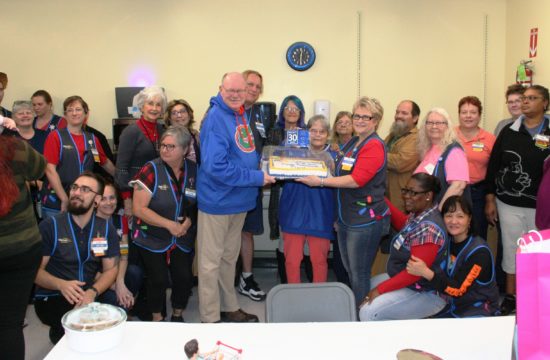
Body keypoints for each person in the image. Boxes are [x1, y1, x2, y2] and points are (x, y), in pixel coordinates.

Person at [197, 72, 275, 323]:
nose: (235, 95)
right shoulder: (216, 118)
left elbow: (243, 152)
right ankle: (210, 317)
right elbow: (215, 167)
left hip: (237, 201)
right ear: (220, 89)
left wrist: (262, 166)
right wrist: (255, 178)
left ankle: (229, 306)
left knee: (229, 259)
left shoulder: (239, 114)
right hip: (218, 202)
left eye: (240, 91)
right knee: (210, 264)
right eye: (230, 90)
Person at [298, 96, 390, 305]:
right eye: (357, 115)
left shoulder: (374, 145)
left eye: (366, 117)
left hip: (364, 220)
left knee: (359, 273)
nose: (359, 120)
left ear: (376, 120)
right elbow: (336, 167)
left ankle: (361, 316)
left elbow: (356, 180)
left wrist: (320, 181)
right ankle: (355, 308)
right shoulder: (354, 142)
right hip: (347, 217)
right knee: (350, 269)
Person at [485, 84, 550, 315]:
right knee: (512, 249)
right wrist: (490, 198)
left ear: (545, 103)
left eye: (532, 98)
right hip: (508, 203)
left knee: (538, 252)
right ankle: (511, 296)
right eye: (524, 98)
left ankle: (536, 296)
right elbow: (494, 164)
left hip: (541, 207)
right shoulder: (509, 130)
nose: (525, 102)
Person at [34, 172, 120, 344]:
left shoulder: (105, 228)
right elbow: (35, 272)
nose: (76, 193)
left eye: (85, 189)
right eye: (74, 187)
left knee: (114, 311)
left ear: (97, 200)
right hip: (54, 295)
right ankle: (61, 334)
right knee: (76, 329)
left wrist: (92, 291)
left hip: (89, 293)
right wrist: (61, 284)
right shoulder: (50, 226)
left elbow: (111, 270)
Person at [358, 173, 448, 321]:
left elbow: (414, 274)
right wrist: (381, 198)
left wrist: (380, 290)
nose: (407, 196)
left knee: (368, 310)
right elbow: (404, 225)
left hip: (426, 292)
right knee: (366, 287)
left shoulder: (429, 229)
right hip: (412, 284)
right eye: (406, 191)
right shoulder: (420, 214)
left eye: (413, 193)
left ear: (428, 196)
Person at [131, 126, 197, 322]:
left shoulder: (194, 169)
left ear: (185, 150)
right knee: (158, 279)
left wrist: (188, 223)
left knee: (184, 277)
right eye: (163, 146)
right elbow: (139, 209)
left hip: (183, 234)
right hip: (152, 234)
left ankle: (177, 314)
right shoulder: (150, 169)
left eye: (171, 146)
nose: (165, 150)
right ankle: (157, 317)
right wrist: (170, 225)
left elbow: (199, 202)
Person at [406, 195, 500, 317]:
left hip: (478, 309)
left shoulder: (479, 252)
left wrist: (425, 272)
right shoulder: (446, 241)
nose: (453, 221)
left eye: (460, 216)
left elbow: (458, 289)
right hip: (451, 305)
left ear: (469, 219)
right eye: (449, 216)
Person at [0, 136, 46, 360]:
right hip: (21, 248)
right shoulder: (15, 148)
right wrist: (12, 136)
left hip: (19, 251)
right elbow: (39, 168)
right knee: (10, 324)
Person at [280, 115, 335, 283]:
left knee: (319, 262)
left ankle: (318, 299)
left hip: (321, 215)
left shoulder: (334, 155)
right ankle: (293, 298)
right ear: (306, 132)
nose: (317, 135)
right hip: (293, 213)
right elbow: (277, 164)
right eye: (313, 130)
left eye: (322, 131)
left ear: (328, 134)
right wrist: (289, 143)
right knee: (291, 261)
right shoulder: (294, 149)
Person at [41, 96, 115, 218]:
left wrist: (120, 178)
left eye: (78, 109)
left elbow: (103, 162)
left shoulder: (92, 140)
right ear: (65, 115)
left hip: (83, 200)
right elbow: (49, 169)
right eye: (70, 110)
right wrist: (64, 199)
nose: (74, 113)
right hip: (57, 199)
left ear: (86, 113)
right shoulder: (55, 137)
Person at [267, 95, 308, 284]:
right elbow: (268, 158)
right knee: (285, 232)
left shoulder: (307, 132)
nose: (291, 111)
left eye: (295, 108)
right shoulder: (274, 133)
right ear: (282, 112)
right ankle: (286, 280)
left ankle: (306, 276)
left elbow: (315, 157)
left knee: (305, 234)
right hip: (281, 188)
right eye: (288, 108)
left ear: (301, 113)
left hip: (304, 189)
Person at [238, 69, 269, 301]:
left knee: (247, 232)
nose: (254, 90)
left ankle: (246, 277)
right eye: (250, 84)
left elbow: (267, 147)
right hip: (231, 185)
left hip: (253, 184)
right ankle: (226, 278)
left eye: (258, 87)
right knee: (227, 234)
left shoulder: (260, 115)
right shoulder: (226, 112)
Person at [116, 86, 166, 217]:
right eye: (150, 104)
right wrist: (127, 201)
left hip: (157, 191)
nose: (154, 108)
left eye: (158, 105)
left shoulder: (163, 130)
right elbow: (121, 168)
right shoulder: (131, 131)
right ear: (141, 106)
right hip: (136, 193)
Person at [96, 182, 142, 310]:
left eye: (112, 198)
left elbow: (124, 254)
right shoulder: (89, 223)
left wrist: (120, 282)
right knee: (118, 301)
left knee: (135, 272)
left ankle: (125, 305)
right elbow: (88, 268)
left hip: (115, 270)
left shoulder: (120, 221)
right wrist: (113, 286)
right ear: (95, 201)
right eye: (103, 199)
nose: (109, 203)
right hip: (94, 277)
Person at [455, 96, 495, 240]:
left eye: (473, 112)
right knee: (453, 230)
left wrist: (491, 200)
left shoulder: (489, 139)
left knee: (477, 231)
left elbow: (493, 171)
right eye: (464, 112)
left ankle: (476, 261)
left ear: (479, 115)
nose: (468, 116)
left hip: (478, 193)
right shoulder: (449, 135)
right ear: (459, 114)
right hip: (453, 190)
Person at [414, 108, 470, 207]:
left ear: (447, 126)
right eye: (430, 122)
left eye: (439, 123)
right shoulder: (428, 148)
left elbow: (458, 186)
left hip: (445, 213)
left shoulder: (454, 151)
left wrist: (439, 212)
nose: (434, 126)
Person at [385, 100, 420, 212]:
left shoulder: (416, 138)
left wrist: (377, 155)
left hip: (401, 200)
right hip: (385, 197)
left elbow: (400, 163)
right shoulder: (393, 135)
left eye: (404, 113)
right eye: (397, 112)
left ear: (415, 118)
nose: (398, 116)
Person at [165, 99, 200, 164]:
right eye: (174, 113)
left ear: (189, 115)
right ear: (169, 118)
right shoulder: (166, 138)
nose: (179, 116)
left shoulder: (196, 135)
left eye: (182, 111)